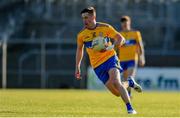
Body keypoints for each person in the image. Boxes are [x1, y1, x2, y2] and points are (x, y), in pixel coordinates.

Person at [75, 7, 142, 114]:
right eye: (83, 18)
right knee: (117, 93)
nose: (84, 20)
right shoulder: (81, 35)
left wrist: (111, 48)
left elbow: (120, 38)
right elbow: (79, 50)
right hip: (97, 66)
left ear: (93, 17)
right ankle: (129, 82)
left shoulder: (105, 27)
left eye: (86, 17)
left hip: (110, 59)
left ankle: (130, 108)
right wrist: (77, 66)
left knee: (115, 81)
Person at [118, 16, 145, 98]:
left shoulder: (136, 33)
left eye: (126, 21)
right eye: (123, 22)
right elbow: (116, 48)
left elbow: (140, 46)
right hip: (122, 60)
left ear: (129, 22)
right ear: (121, 24)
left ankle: (128, 95)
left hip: (132, 59)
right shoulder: (119, 35)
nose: (124, 23)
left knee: (130, 78)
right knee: (126, 81)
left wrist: (142, 57)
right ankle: (129, 94)